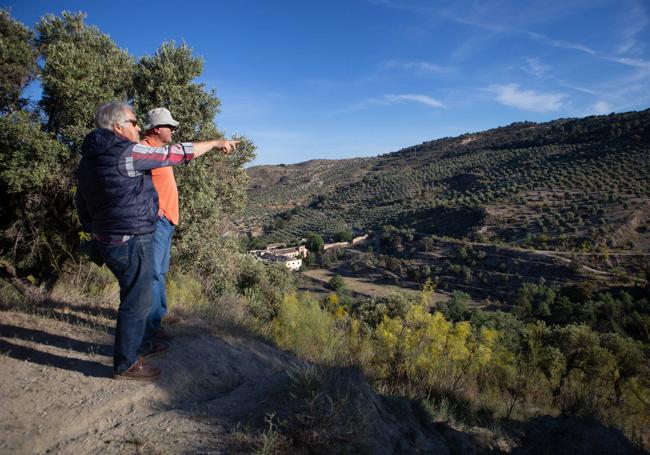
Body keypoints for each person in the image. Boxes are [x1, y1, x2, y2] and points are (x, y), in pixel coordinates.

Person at [76, 102, 238, 380]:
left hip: (108, 237)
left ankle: (141, 344)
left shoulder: (91, 158)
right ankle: (126, 362)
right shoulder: (127, 153)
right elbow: (175, 154)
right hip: (130, 237)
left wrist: (94, 228)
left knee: (135, 293)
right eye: (134, 122)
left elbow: (81, 199)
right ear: (117, 127)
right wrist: (213, 143)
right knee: (136, 299)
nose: (138, 127)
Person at [141, 108, 181, 342]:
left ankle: (157, 320)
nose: (173, 130)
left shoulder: (159, 152)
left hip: (166, 221)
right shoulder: (145, 152)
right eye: (170, 127)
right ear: (157, 128)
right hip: (156, 221)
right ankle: (150, 328)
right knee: (153, 273)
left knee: (160, 272)